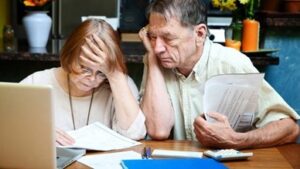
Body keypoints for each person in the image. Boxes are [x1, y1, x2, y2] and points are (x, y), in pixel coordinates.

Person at [139, 0, 300, 149]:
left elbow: (289, 128)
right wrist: (152, 60)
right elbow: (158, 130)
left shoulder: (231, 63)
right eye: (152, 37)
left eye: (168, 38)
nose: (158, 47)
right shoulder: (156, 59)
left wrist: (236, 140)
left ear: (200, 34)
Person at [20, 19, 146, 145]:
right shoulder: (37, 83)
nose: (92, 79)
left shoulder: (120, 84)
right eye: (85, 69)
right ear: (69, 57)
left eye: (101, 73)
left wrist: (114, 75)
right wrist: (37, 131)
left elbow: (135, 134)